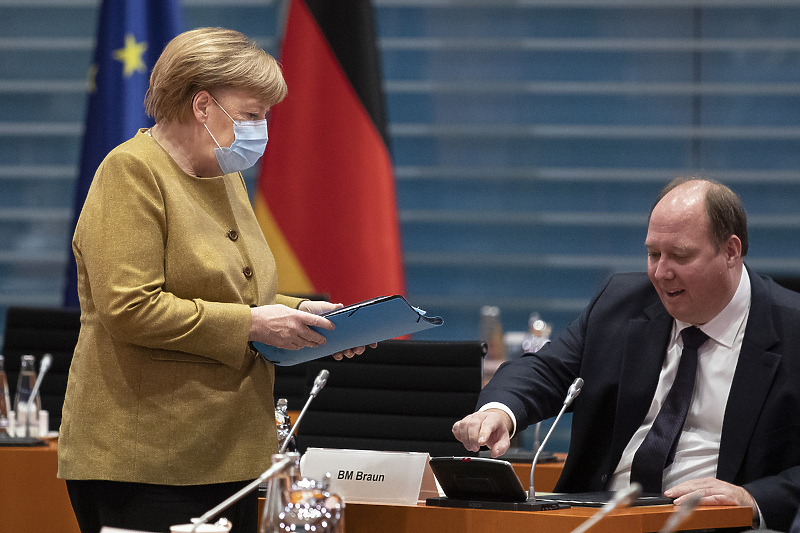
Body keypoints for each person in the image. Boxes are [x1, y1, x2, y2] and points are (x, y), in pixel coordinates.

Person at [58, 27, 370, 533]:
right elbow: (130, 307)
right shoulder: (131, 173)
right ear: (202, 106)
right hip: (148, 460)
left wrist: (300, 313)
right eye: (251, 114)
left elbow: (234, 291)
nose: (262, 128)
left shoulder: (225, 177)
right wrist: (252, 323)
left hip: (236, 453)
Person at [453, 177, 800, 531]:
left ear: (731, 251)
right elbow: (549, 371)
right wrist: (498, 412)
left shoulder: (791, 329)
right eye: (653, 254)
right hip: (598, 517)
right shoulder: (621, 302)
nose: (661, 273)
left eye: (680, 256)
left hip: (714, 523)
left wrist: (752, 498)